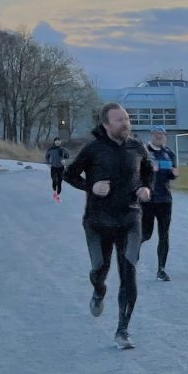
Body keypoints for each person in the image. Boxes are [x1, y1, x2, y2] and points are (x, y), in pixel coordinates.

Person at [62, 104, 153, 349]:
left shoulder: (137, 147)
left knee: (128, 270)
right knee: (99, 269)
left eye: (127, 119)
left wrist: (146, 188)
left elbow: (148, 172)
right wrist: (90, 187)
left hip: (130, 217)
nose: (125, 123)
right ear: (106, 124)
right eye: (119, 120)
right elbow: (69, 174)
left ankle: (122, 330)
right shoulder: (93, 149)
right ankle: (99, 290)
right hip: (98, 221)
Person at [141, 127, 177, 282]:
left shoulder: (169, 153)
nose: (158, 136)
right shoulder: (144, 151)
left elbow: (172, 172)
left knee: (164, 235)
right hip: (148, 199)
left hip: (165, 199)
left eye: (161, 134)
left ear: (165, 136)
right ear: (151, 136)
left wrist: (174, 174)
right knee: (146, 234)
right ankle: (132, 250)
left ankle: (161, 269)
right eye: (156, 134)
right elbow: (135, 171)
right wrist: (149, 170)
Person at [45, 137, 70, 202]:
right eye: (56, 141)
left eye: (59, 141)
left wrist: (64, 160)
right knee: (54, 180)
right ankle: (54, 192)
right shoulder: (50, 149)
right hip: (53, 167)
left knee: (59, 182)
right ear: (54, 142)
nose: (58, 142)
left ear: (60, 142)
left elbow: (67, 156)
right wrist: (48, 163)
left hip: (61, 168)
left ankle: (57, 196)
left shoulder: (63, 149)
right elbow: (47, 157)